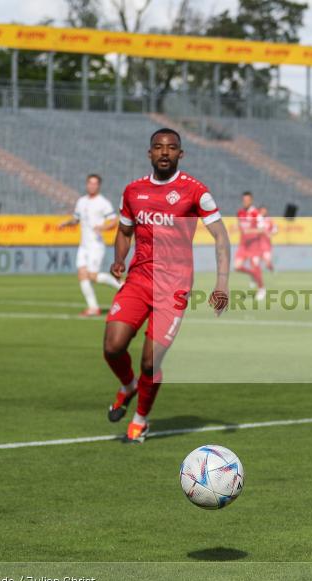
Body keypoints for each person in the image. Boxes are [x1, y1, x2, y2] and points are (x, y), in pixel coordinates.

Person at [102, 128, 230, 443]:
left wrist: (222, 283)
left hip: (173, 287)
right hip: (138, 280)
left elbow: (221, 236)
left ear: (180, 154)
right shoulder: (133, 190)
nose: (164, 152)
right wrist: (119, 258)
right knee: (112, 346)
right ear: (149, 153)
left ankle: (141, 419)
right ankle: (128, 385)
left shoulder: (195, 191)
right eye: (158, 147)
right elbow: (124, 229)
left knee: (150, 360)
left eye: (171, 148)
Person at [59, 174, 122, 316]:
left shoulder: (103, 202)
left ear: (98, 186)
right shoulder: (81, 201)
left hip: (96, 245)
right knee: (82, 275)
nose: (92, 186)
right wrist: (66, 223)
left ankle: (123, 286)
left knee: (93, 276)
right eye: (90, 183)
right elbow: (76, 219)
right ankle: (93, 308)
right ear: (87, 185)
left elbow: (113, 220)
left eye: (95, 184)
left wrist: (102, 227)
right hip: (84, 246)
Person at [234, 191, 266, 300]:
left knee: (256, 267)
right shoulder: (240, 212)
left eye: (247, 200)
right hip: (243, 245)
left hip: (254, 246)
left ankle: (261, 289)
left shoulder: (256, 213)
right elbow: (240, 225)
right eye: (244, 200)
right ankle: (252, 274)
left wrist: (250, 230)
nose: (245, 202)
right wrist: (236, 227)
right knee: (237, 267)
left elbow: (262, 229)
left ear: (251, 200)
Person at [257, 205, 277, 271]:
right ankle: (254, 280)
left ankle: (271, 269)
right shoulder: (257, 219)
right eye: (262, 211)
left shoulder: (270, 220)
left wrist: (271, 233)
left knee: (267, 263)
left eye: (265, 210)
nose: (263, 212)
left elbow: (275, 230)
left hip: (266, 245)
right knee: (256, 263)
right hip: (257, 244)